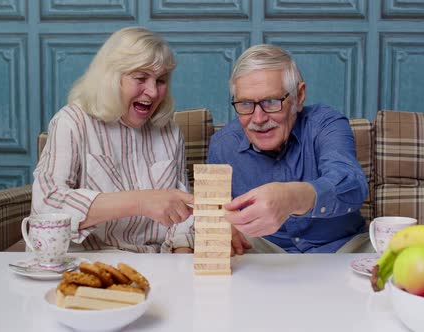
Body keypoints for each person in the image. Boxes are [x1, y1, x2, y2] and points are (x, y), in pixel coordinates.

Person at [32, 26, 194, 253]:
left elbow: (182, 214)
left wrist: (183, 259)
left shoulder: (170, 132)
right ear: (111, 78)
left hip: (158, 265)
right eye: (140, 78)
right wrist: (140, 202)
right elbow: (46, 205)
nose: (153, 92)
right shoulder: (72, 122)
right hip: (88, 265)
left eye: (161, 80)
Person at [208, 44, 369, 254]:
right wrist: (219, 227)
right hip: (264, 254)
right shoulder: (223, 145)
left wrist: (291, 197)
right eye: (246, 104)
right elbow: (213, 216)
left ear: (299, 96)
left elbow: (353, 186)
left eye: (271, 102)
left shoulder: (325, 123)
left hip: (341, 249)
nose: (258, 118)